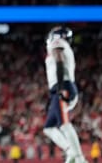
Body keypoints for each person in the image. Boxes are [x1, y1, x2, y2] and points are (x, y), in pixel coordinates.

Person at [42, 26, 87, 163]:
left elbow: (59, 61)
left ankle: (79, 159)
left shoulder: (58, 44)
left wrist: (60, 87)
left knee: (64, 124)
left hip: (63, 86)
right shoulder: (65, 46)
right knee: (48, 128)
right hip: (60, 87)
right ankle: (70, 151)